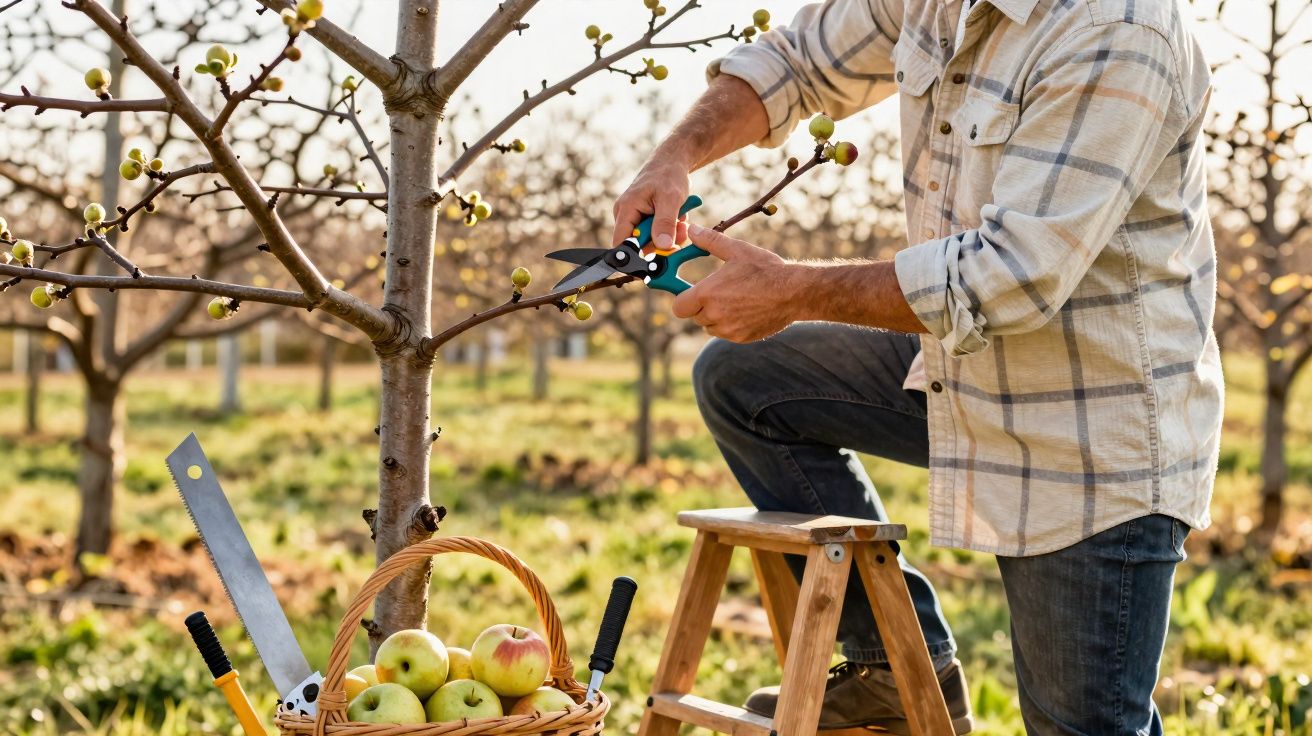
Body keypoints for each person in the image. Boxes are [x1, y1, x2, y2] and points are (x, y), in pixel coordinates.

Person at [611, 0, 1221, 733]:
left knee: (1081, 726)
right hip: (965, 366)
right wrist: (674, 155)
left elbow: (1010, 275)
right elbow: (799, 57)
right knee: (745, 381)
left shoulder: (1118, 31)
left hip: (1087, 433)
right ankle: (891, 669)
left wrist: (793, 290)